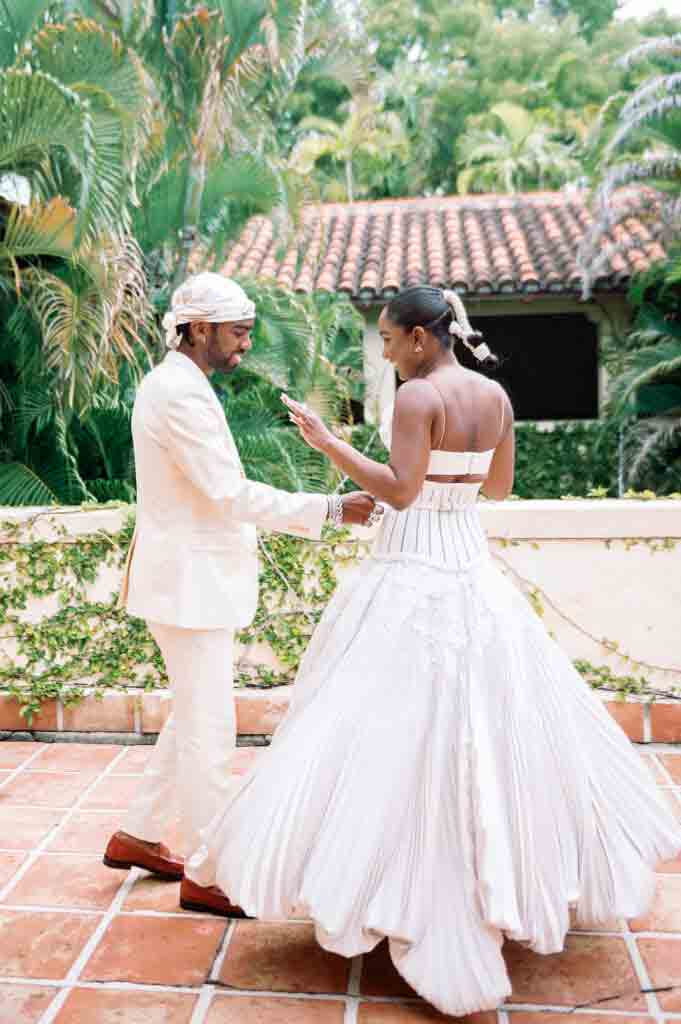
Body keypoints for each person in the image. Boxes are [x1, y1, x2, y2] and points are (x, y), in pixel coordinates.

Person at [185, 284, 681, 1015]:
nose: (384, 352)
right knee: (492, 722)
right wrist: (454, 485)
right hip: (470, 570)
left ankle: (395, 888)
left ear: (420, 336)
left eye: (387, 339)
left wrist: (328, 442)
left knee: (380, 729)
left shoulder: (417, 397)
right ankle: (497, 881)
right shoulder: (494, 395)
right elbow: (501, 488)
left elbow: (400, 490)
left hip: (411, 572)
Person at [103, 272, 378, 916]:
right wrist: (334, 509)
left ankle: (138, 834)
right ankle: (210, 870)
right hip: (188, 586)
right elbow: (228, 494)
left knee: (195, 715)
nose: (247, 344)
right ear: (197, 329)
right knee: (209, 729)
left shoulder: (179, 384)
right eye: (237, 332)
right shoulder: (180, 394)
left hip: (186, 580)